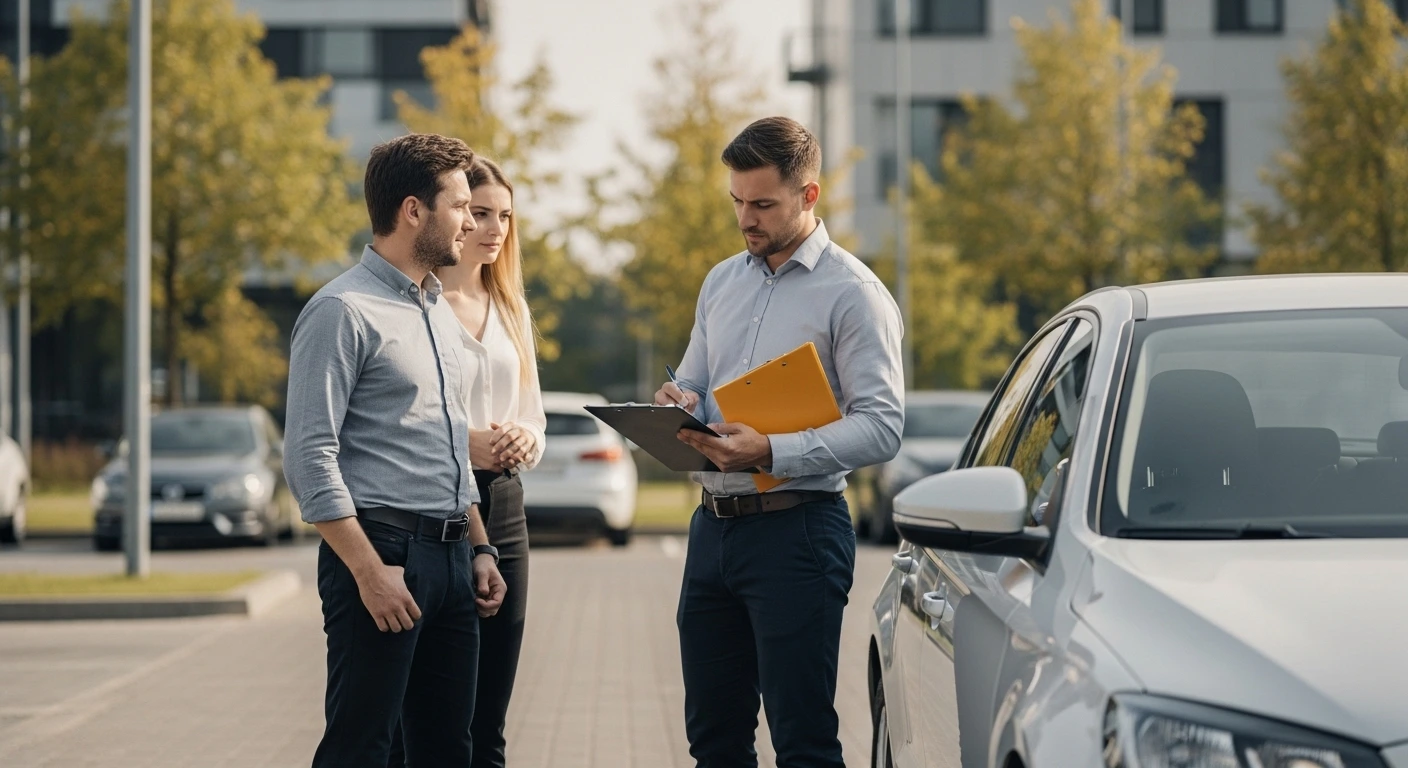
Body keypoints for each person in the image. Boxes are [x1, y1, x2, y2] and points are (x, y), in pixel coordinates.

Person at [656, 116, 905, 768]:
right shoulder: (720, 282)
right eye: (737, 201)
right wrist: (678, 401)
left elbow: (882, 424)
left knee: (803, 742)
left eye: (762, 203)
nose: (746, 218)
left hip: (798, 534)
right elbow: (693, 380)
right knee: (714, 739)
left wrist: (771, 449)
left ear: (809, 196)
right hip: (712, 531)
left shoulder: (855, 295)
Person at [284, 132, 508, 768]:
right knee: (362, 747)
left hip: (452, 562)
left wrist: (481, 545)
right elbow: (308, 458)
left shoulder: (437, 309)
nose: (471, 220)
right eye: (461, 205)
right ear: (414, 211)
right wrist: (366, 571)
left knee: (446, 751)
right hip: (381, 557)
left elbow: (446, 445)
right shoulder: (341, 311)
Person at [387, 156, 546, 768]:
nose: (494, 228)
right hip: (437, 499)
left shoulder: (512, 305)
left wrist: (526, 440)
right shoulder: (419, 306)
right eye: (479, 212)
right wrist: (465, 443)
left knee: (489, 715)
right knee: (422, 715)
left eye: (505, 216)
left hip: (502, 505)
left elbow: (531, 412)